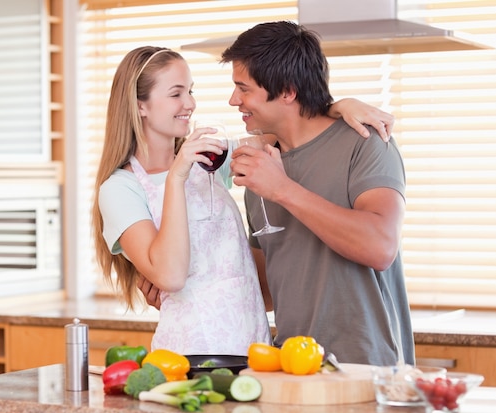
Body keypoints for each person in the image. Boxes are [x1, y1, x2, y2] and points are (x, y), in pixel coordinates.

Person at [92, 45, 396, 356]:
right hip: (191, 355)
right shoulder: (120, 189)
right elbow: (170, 275)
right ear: (140, 105)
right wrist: (176, 176)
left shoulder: (211, 158)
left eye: (191, 91)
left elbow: (288, 123)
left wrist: (340, 106)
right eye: (176, 94)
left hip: (254, 348)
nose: (190, 104)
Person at [224, 21, 415, 366]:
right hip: (293, 367)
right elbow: (266, 290)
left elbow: (379, 246)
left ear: (287, 91)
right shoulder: (260, 166)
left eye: (244, 88)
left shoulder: (365, 142)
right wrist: (175, 287)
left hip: (368, 369)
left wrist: (282, 189)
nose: (234, 100)